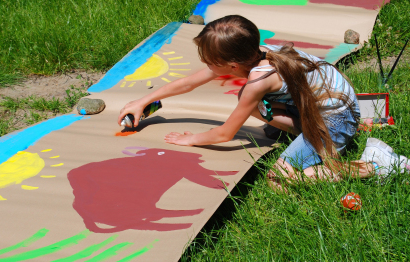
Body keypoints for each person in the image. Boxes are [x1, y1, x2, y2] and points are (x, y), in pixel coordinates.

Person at [118, 15, 408, 190]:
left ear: (231, 65)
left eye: (208, 61)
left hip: (336, 117)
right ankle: (312, 134)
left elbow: (225, 134)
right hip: (324, 105)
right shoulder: (255, 52)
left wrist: (189, 139)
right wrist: (144, 100)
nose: (204, 66)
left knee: (279, 179)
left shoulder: (258, 82)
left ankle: (377, 165)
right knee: (259, 110)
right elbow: (190, 82)